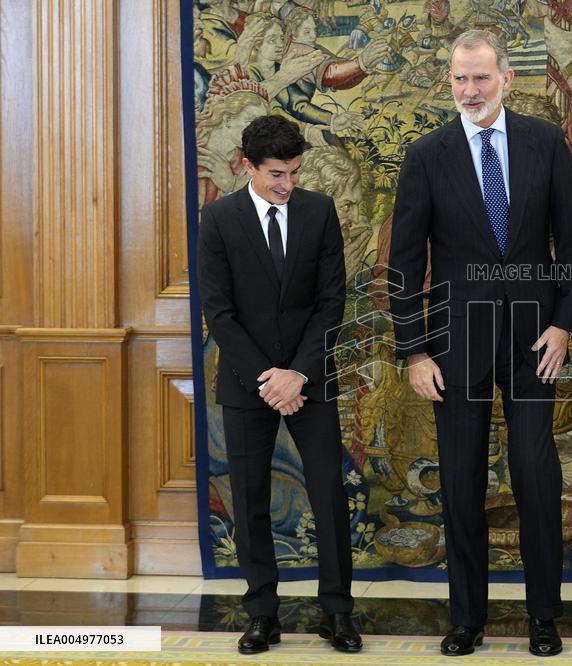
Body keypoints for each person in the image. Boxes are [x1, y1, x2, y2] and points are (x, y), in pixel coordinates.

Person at [388, 29, 572, 658]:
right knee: (461, 480)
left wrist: (563, 324)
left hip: (535, 339)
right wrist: (415, 352)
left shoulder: (545, 142)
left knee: (535, 473)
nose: (469, 90)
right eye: (459, 78)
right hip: (454, 344)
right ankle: (467, 618)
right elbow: (403, 264)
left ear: (506, 78)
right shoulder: (427, 155)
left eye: (480, 77)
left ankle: (543, 616)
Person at [197, 115, 361, 655]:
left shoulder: (320, 211)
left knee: (329, 495)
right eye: (276, 174)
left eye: (294, 172)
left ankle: (337, 612)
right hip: (249, 385)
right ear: (247, 164)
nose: (288, 184)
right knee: (250, 499)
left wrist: (299, 373)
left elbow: (331, 301)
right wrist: (269, 379)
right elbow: (219, 311)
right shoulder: (218, 218)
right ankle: (262, 614)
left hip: (309, 378)